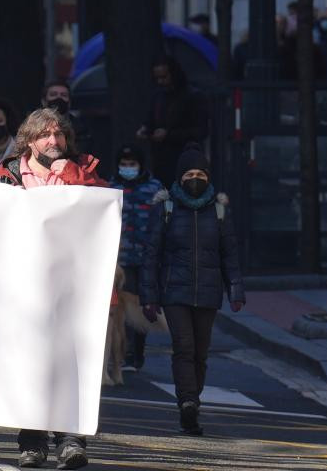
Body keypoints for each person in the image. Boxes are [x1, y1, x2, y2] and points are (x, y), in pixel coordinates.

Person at [0, 105, 104, 469]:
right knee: (28, 364)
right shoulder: (2, 178)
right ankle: (32, 442)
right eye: (44, 135)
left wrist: (72, 176)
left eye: (59, 134)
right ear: (29, 140)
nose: (53, 141)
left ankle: (71, 439)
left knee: (71, 362)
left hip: (73, 286)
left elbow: (105, 212)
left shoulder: (83, 171)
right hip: (21, 288)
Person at [142, 149, 243, 436]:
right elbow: (152, 254)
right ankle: (187, 402)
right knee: (184, 347)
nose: (195, 179)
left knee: (200, 352)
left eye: (200, 175)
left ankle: (192, 400)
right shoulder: (166, 208)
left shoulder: (220, 211)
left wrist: (236, 289)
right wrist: (148, 296)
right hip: (175, 291)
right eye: (189, 175)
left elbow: (230, 254)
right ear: (179, 178)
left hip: (208, 292)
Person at [111, 144, 162, 371]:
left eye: (132, 164)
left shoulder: (154, 189)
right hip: (120, 258)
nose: (128, 168)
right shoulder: (111, 187)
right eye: (124, 164)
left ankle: (136, 353)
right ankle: (124, 352)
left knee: (142, 306)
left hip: (146, 258)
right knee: (122, 308)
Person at [137, 56, 208, 183]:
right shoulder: (158, 96)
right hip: (161, 159)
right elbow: (151, 119)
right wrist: (145, 129)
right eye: (157, 78)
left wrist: (169, 135)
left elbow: (201, 130)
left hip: (185, 158)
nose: (160, 82)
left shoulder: (192, 96)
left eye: (164, 77)